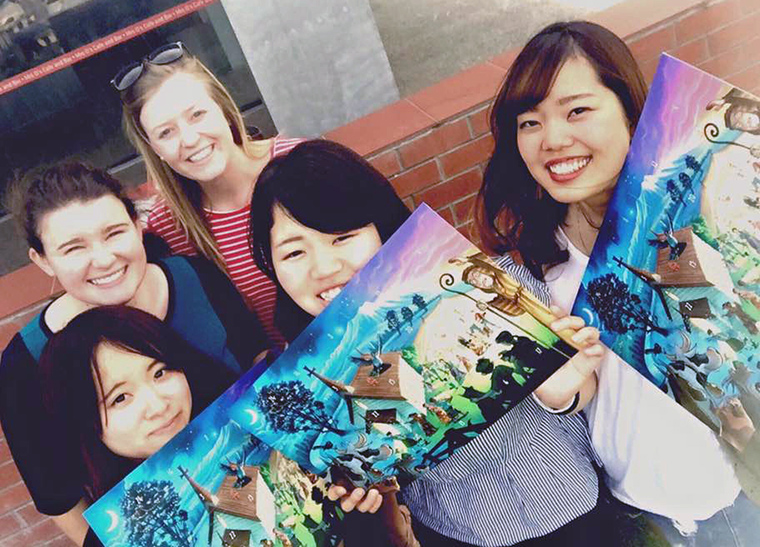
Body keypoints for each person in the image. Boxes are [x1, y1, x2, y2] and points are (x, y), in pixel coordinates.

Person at [250, 139, 611, 546]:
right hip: (456, 533)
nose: (326, 267)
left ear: (381, 227)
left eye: (342, 237)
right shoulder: (304, 394)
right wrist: (361, 493)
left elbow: (575, 393)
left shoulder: (488, 285)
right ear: (272, 267)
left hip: (572, 502)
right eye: (294, 253)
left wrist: (563, 388)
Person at [475, 20, 750, 543]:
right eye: (529, 122)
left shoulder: (707, 215)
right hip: (631, 509)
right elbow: (593, 393)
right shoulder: (536, 261)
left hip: (730, 495)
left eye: (577, 109)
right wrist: (558, 392)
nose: (553, 140)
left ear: (630, 111)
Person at [0, 162, 268, 547]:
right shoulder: (27, 364)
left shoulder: (194, 277)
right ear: (42, 260)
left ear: (137, 226)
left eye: (114, 233)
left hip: (270, 487)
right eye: (74, 248)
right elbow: (59, 497)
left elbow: (257, 366)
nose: (104, 259)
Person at [114, 41, 301, 343]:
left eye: (197, 115)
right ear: (154, 149)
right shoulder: (168, 228)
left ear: (223, 109)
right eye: (166, 132)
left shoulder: (299, 163)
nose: (188, 139)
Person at [39, 305, 235, 503]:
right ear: (83, 423)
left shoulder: (249, 427)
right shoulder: (121, 526)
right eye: (120, 397)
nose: (158, 406)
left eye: (159, 373)